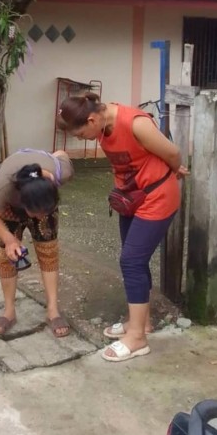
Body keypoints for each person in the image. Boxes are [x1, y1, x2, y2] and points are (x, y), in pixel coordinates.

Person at [57, 92, 187, 362]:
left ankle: (137, 338)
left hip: (157, 196)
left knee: (131, 261)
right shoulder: (102, 124)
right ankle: (141, 323)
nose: (82, 139)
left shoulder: (135, 123)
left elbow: (173, 153)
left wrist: (175, 170)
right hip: (130, 199)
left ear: (92, 120)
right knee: (134, 260)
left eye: (81, 134)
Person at [0, 149, 74, 338]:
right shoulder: (3, 189)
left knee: (48, 251)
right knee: (7, 255)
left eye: (45, 212)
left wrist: (49, 160)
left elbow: (61, 153)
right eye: (35, 213)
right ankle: (9, 312)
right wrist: (9, 239)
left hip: (41, 195)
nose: (40, 217)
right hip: (9, 207)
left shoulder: (62, 172)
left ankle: (53, 311)